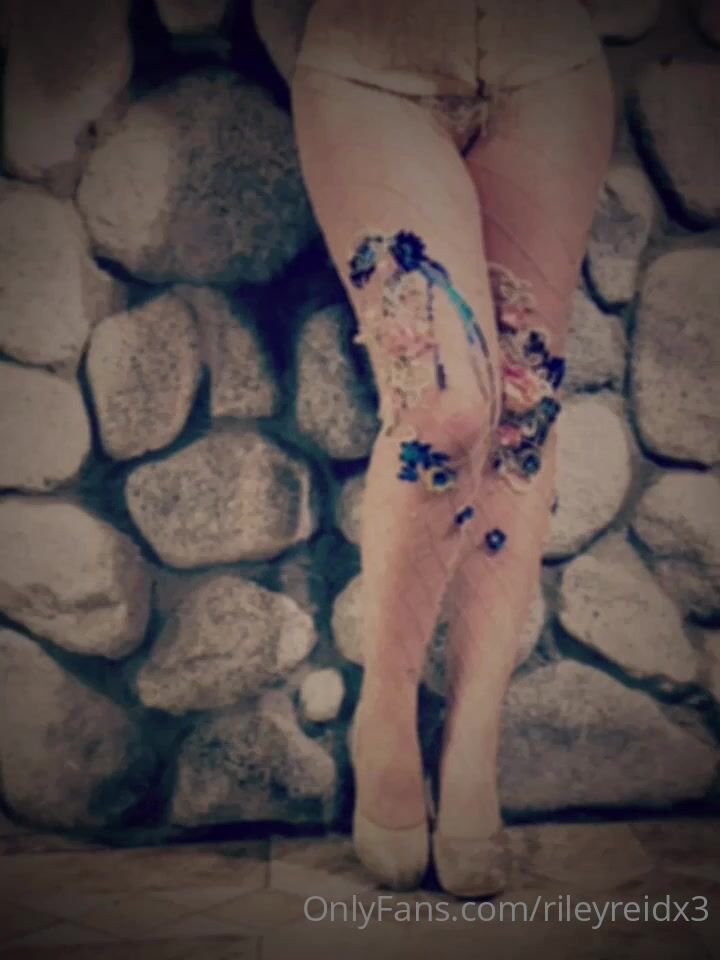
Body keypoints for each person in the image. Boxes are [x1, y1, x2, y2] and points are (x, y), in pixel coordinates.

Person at [255, 0, 614, 896]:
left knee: (523, 404)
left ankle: (472, 741)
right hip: (369, 65)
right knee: (444, 405)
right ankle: (385, 711)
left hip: (549, 63)